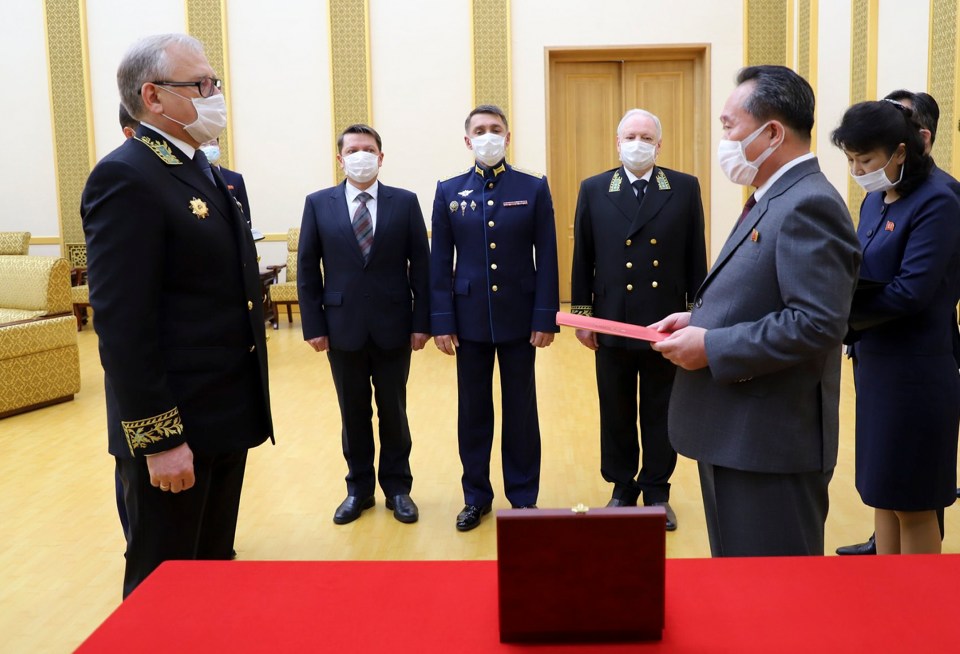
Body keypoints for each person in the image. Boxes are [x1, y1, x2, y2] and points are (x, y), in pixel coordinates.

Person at [81, 33, 273, 597]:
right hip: (176, 429)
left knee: (210, 573)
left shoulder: (199, 170)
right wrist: (159, 439)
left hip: (220, 417)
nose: (216, 95)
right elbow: (123, 325)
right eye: (202, 85)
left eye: (214, 83)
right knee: (163, 586)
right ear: (154, 98)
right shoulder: (127, 176)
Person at [650, 65, 861, 556]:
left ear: (771, 133)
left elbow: (818, 322)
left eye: (729, 126)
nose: (723, 138)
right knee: (741, 586)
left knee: (777, 601)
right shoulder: (773, 198)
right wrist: (698, 322)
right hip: (737, 433)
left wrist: (712, 344)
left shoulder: (808, 204)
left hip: (771, 443)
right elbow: (758, 291)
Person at [830, 100, 960, 555]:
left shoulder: (939, 202)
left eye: (865, 160)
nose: (857, 169)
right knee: (882, 495)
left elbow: (910, 291)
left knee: (914, 502)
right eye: (850, 160)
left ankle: (920, 609)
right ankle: (885, 600)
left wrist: (840, 317)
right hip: (877, 363)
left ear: (900, 152)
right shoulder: (874, 199)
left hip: (916, 374)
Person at [570, 108, 706, 530]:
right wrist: (583, 315)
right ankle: (621, 486)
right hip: (612, 320)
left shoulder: (682, 188)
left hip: (665, 322)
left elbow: (695, 257)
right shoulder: (594, 189)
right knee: (615, 407)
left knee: (661, 407)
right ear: (617, 142)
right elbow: (583, 256)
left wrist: (699, 315)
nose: (638, 144)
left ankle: (658, 490)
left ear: (659, 145)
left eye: (646, 137)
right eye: (630, 136)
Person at [430, 104, 560, 531]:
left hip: (521, 320)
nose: (488, 136)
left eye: (496, 129)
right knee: (473, 412)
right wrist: (442, 321)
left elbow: (549, 258)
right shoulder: (449, 191)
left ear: (508, 136)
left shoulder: (533, 187)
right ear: (467, 141)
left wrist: (546, 317)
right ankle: (476, 497)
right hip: (467, 322)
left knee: (521, 411)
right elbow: (439, 263)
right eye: (480, 131)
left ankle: (523, 498)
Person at [298, 124, 430, 525]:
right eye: (353, 149)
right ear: (340, 158)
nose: (361, 155)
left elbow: (421, 268)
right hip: (342, 327)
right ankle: (358, 489)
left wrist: (421, 321)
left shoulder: (405, 203)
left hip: (394, 324)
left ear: (381, 157)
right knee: (352, 412)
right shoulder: (319, 203)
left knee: (394, 410)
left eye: (368, 149)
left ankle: (398, 488)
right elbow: (307, 270)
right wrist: (313, 326)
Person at [199, 138, 258, 236]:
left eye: (213, 143)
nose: (209, 147)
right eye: (204, 144)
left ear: (219, 147)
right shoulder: (195, 176)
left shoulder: (235, 178)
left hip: (231, 234)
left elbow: (245, 215)